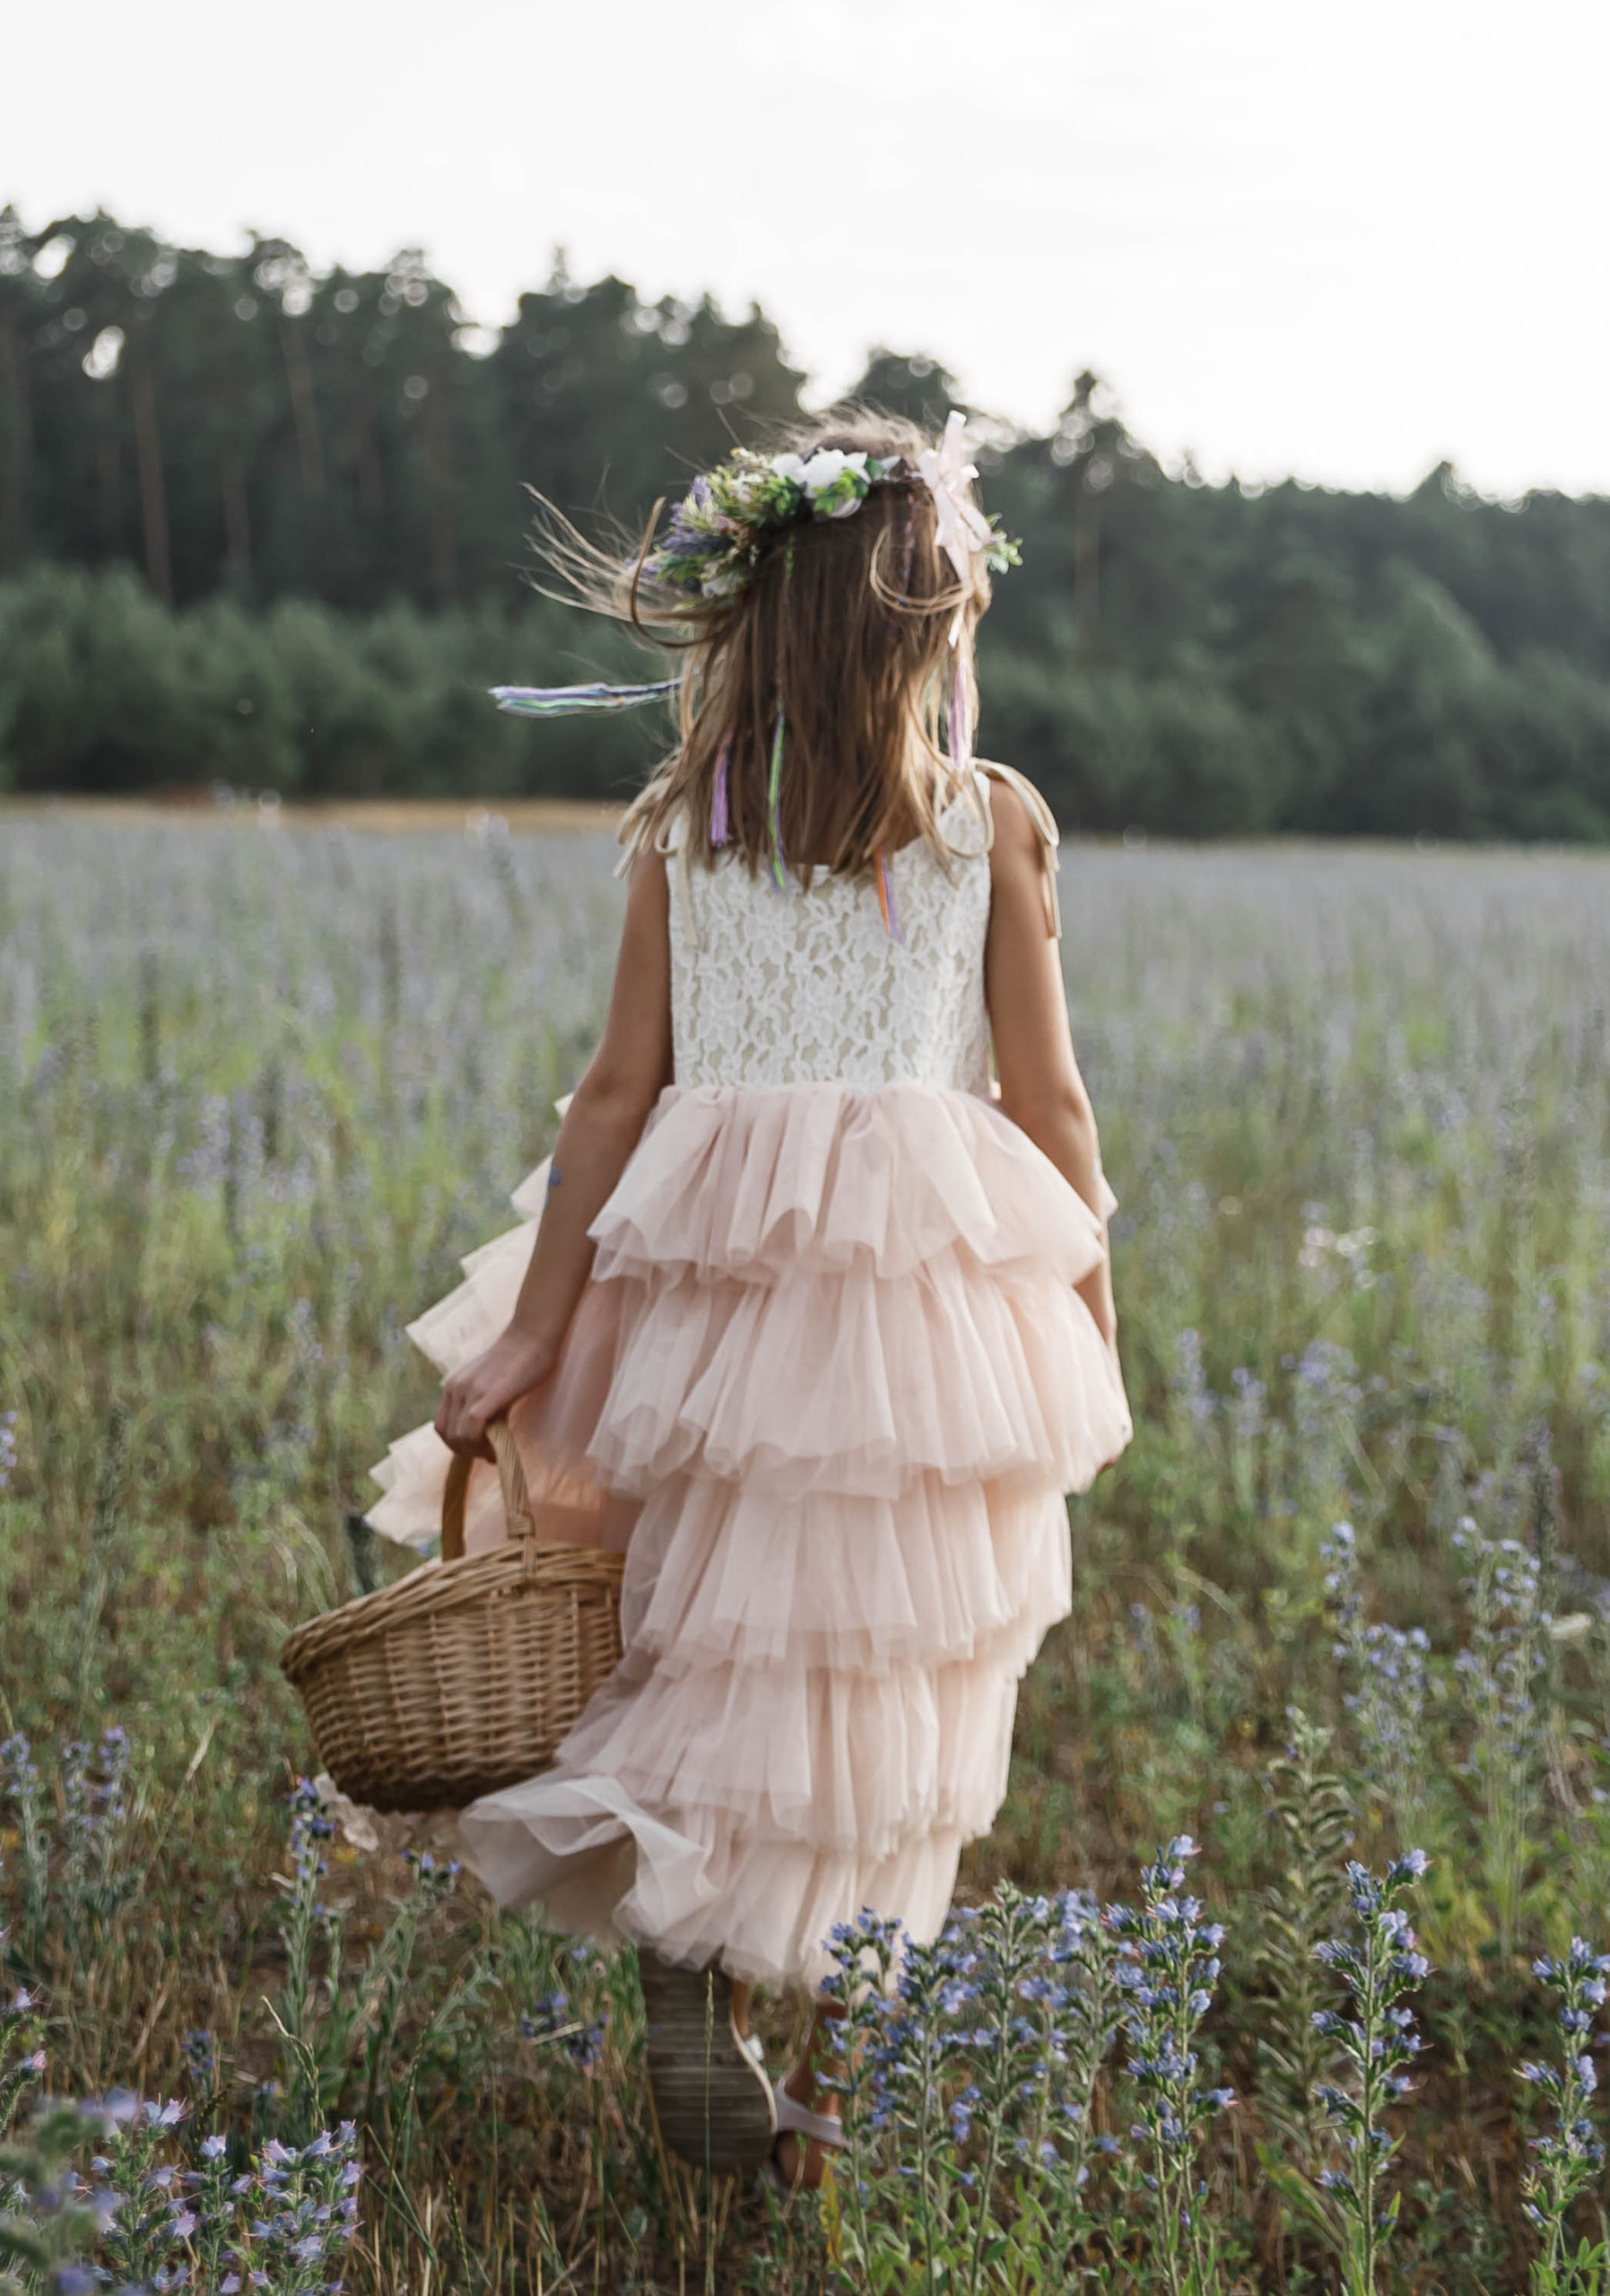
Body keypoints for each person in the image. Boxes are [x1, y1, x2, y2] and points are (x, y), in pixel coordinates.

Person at [362, 411, 1130, 2193]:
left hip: (689, 1278)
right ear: (922, 626)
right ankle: (783, 2011)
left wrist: (538, 1327)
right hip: (912, 1306)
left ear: (757, 620)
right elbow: (1049, 1102)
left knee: (676, 1631)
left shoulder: (684, 820)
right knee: (857, 1657)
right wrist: (1087, 1312)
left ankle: (686, 1974)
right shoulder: (987, 820)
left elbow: (613, 1091)